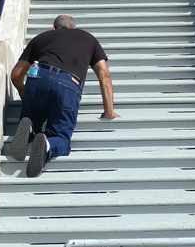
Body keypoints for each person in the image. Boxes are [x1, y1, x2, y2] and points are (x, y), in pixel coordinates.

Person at [10, 14, 119, 177]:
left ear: (54, 28)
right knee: (60, 135)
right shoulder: (89, 39)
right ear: (73, 27)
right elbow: (104, 75)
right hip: (68, 83)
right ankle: (48, 144)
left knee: (32, 112)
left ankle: (31, 128)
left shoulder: (41, 38)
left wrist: (22, 91)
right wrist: (108, 110)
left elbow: (16, 74)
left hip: (38, 76)